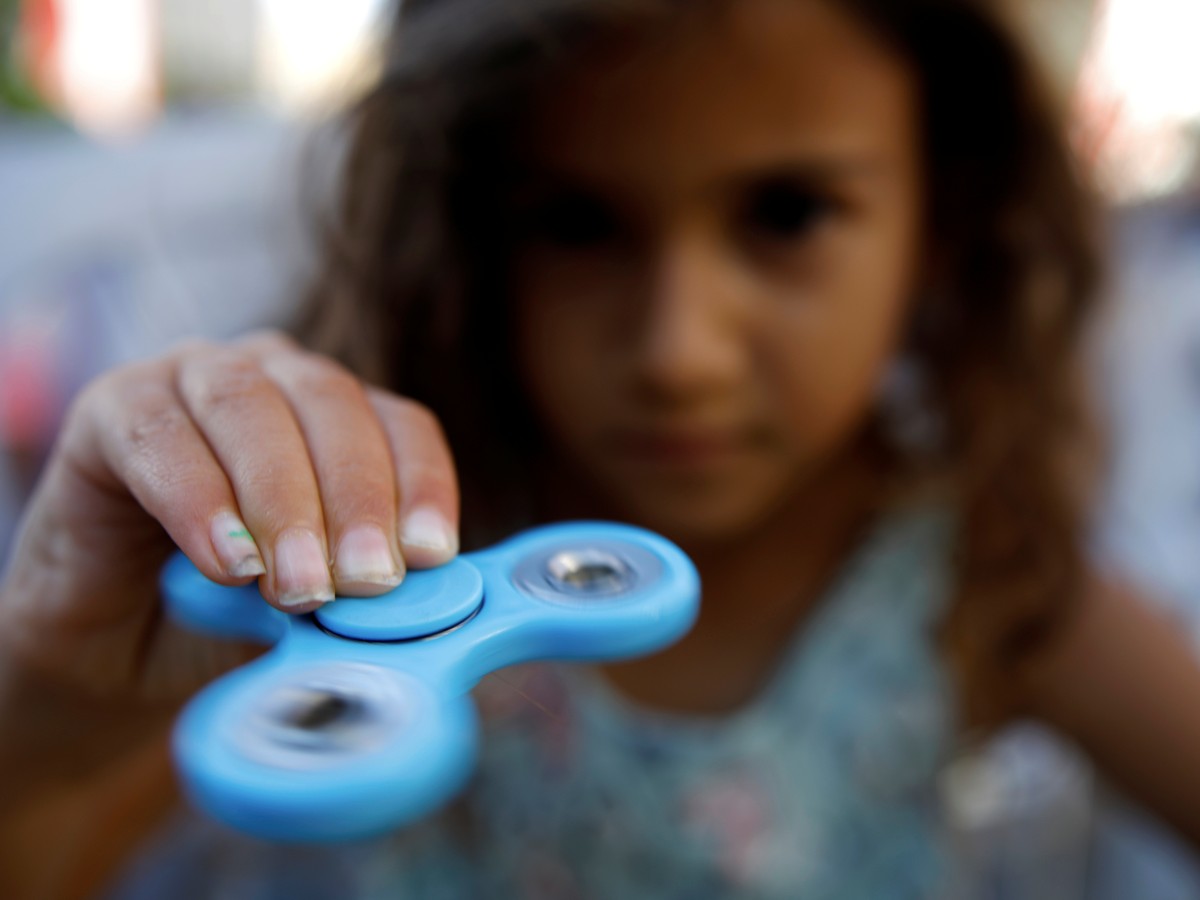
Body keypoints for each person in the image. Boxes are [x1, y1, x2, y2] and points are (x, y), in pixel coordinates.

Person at [3, 0, 1200, 896]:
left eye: (785, 213)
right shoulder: (343, 573)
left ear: (943, 225)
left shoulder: (987, 578)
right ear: (469, 233)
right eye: (577, 224)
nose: (679, 349)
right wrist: (57, 693)